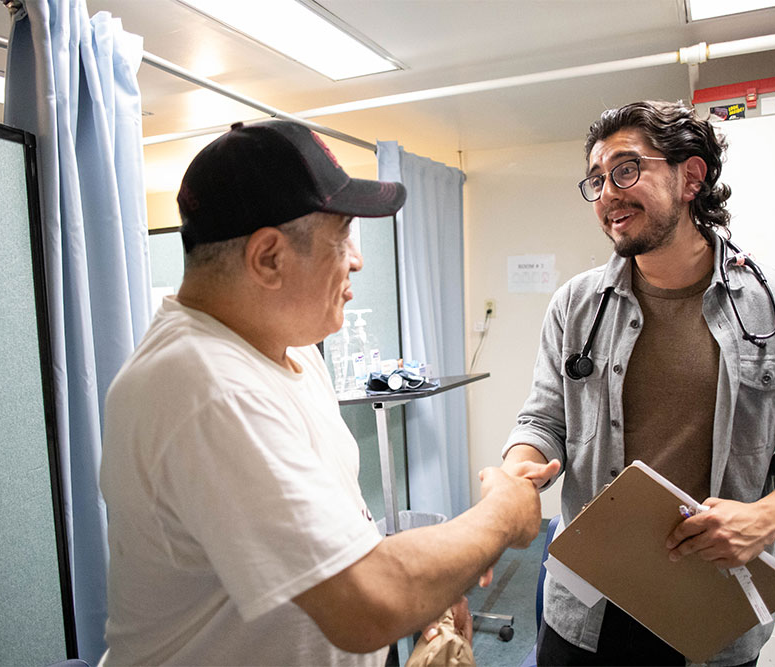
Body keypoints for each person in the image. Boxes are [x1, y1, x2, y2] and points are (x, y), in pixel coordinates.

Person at [99, 119, 552, 665]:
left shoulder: (288, 352)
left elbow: (337, 525)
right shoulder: (203, 387)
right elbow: (366, 600)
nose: (357, 259)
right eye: (342, 238)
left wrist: (427, 589)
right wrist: (504, 513)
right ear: (269, 258)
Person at [502, 100, 775, 667]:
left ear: (691, 176)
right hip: (589, 603)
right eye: (596, 180)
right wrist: (519, 470)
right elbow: (543, 420)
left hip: (710, 607)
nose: (608, 193)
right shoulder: (576, 305)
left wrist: (768, 517)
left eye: (625, 170)